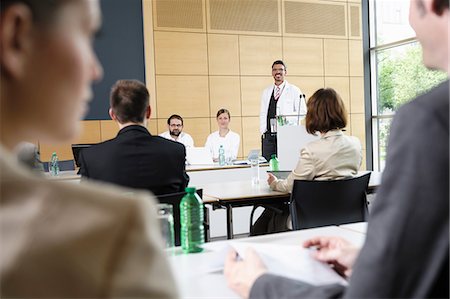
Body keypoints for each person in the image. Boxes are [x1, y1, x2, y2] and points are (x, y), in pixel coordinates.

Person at [224, 0, 449, 298]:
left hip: (306, 224)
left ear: (430, 4)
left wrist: (260, 285)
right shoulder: (356, 145)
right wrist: (370, 259)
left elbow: (374, 292)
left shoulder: (429, 121)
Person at [0, 1, 177, 298]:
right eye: (87, 35)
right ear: (17, 36)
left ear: (112, 114)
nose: (96, 71)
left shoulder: (92, 161)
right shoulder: (112, 231)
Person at [251, 88, 362, 235]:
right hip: (347, 216)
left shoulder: (312, 150)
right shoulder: (355, 144)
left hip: (313, 219)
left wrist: (274, 183)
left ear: (314, 115)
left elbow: (291, 186)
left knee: (268, 213)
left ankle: (248, 253)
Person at [79, 80, 189, 196]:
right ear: (148, 112)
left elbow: (86, 206)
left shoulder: (91, 157)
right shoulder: (176, 151)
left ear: (112, 114)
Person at [260, 60, 307, 161]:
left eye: (281, 69)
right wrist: (263, 131)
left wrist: (286, 117)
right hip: (269, 136)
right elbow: (263, 113)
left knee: (287, 163)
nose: (278, 72)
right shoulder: (266, 91)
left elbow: (302, 112)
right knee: (268, 166)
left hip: (287, 135)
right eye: (275, 70)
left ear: (285, 72)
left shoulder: (294, 90)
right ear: (272, 72)